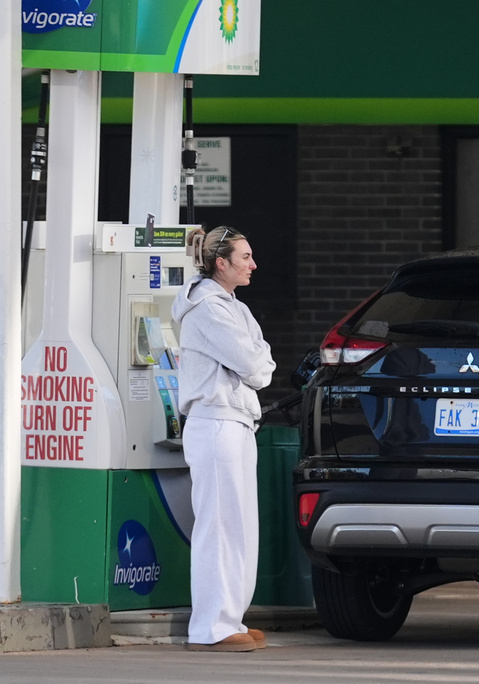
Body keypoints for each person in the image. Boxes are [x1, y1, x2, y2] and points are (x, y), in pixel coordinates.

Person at [171, 226, 276, 652]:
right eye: (245, 257)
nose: (253, 264)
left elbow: (264, 361)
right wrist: (253, 362)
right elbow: (253, 361)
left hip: (234, 421)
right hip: (216, 422)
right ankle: (211, 626)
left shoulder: (234, 306)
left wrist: (254, 362)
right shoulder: (209, 309)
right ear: (221, 262)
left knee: (238, 525)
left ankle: (228, 616)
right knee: (220, 525)